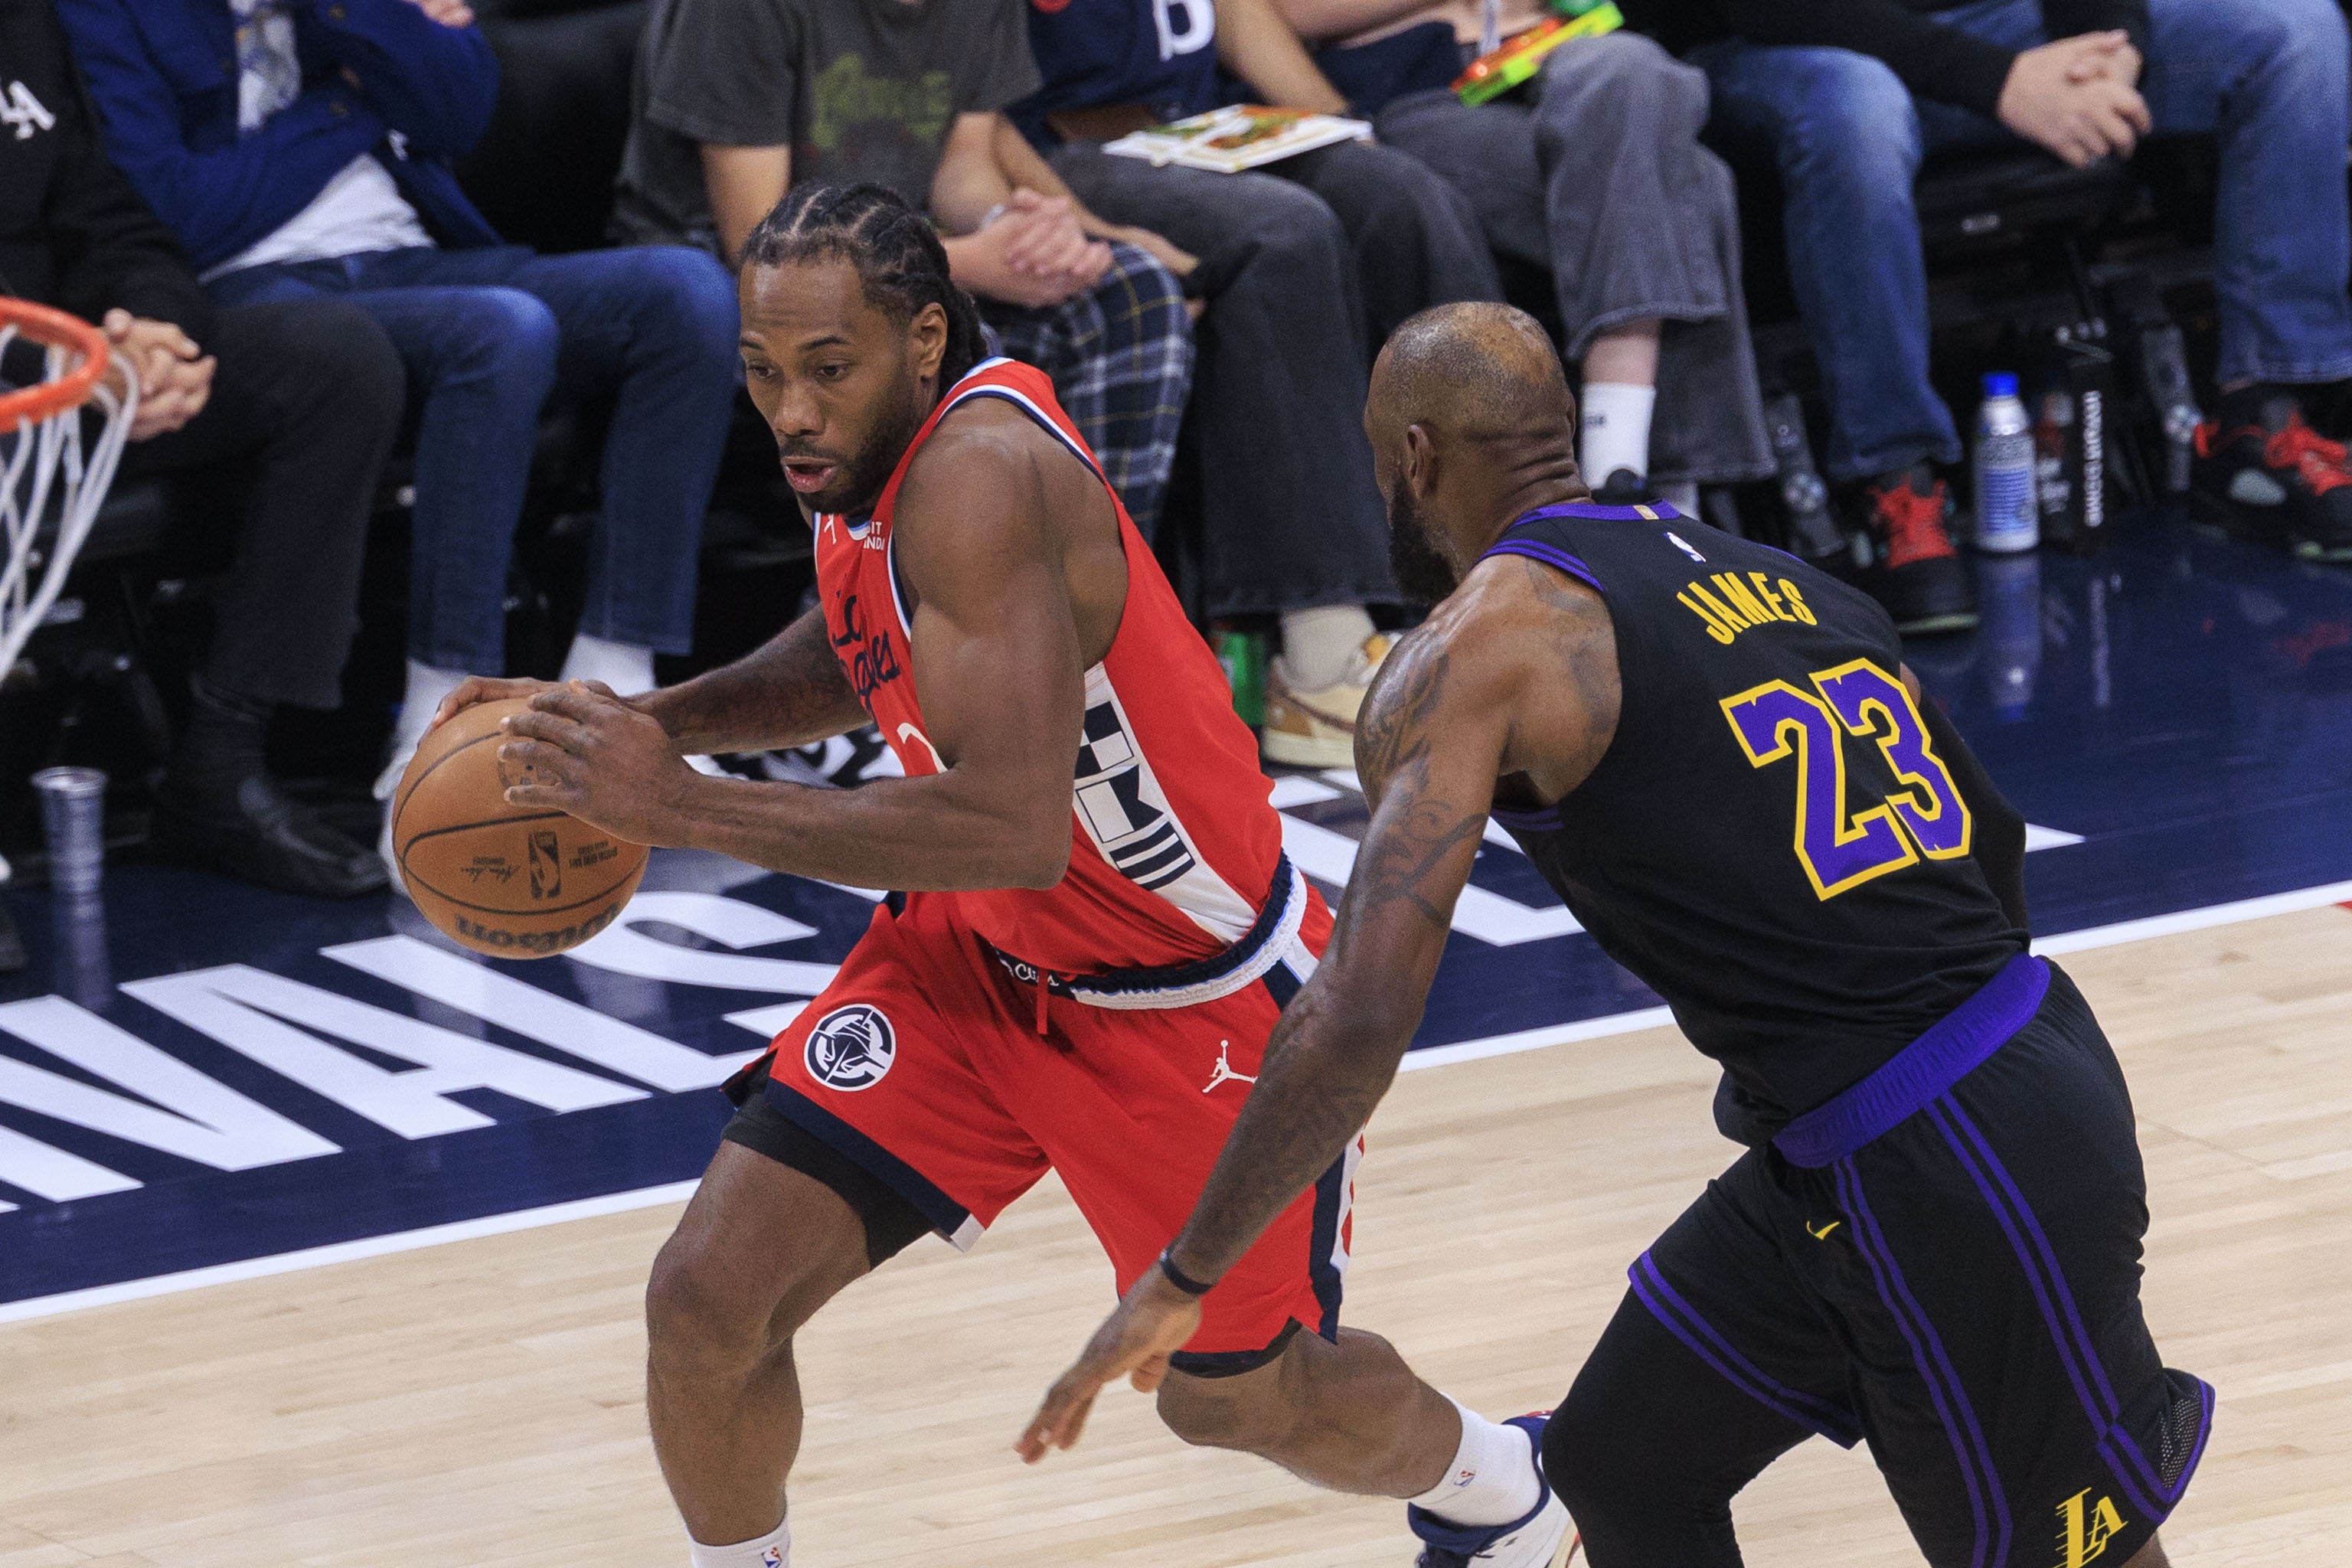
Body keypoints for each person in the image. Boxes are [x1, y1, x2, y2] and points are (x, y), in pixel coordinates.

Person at [428, 186, 1572, 1568]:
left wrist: (675, 804)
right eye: (762, 370)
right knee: (708, 1298)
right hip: (977, 958)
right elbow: (857, 638)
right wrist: (640, 725)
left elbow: (1012, 824)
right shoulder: (866, 463)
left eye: (826, 369)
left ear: (922, 341)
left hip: (1184, 998)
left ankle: (1504, 1490)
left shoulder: (979, 474)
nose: (791, 411)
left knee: (1234, 1398)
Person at [1026, 304, 2209, 1568]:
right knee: (1620, 1468)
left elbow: (1357, 1015)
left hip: (1940, 1156)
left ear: (1414, 456)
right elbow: (1992, 845)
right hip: (1925, 1109)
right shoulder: (1780, 576)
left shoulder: (1475, 651)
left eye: (1377, 460)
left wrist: (1186, 1273)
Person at [57, 0, 746, 875]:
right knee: (501, 331)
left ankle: (618, 700)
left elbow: (460, 110)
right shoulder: (106, 9)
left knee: (686, 295)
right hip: (256, 297)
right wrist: (354, 101)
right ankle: (439, 743)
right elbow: (174, 212)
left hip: (417, 259)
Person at [1684, 0, 2352, 596]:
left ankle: (2255, 421)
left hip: (1995, 29)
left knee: (2295, 33)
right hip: (1788, 43)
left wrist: (2113, 49)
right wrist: (2001, 82)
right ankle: (1892, 482)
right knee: (1857, 108)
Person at [1014, 0, 1506, 766]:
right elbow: (969, 105)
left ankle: (1496, 566)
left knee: (1401, 193)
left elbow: (1235, 11)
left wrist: (1340, 123)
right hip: (1062, 149)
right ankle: (1319, 655)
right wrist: (1086, 224)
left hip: (1196, 122)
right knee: (1285, 234)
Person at [5, 0, 402, 898]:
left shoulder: (22, 22)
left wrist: (152, 333)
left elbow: (109, 214)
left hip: (79, 372)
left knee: (335, 362)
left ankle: (220, 765)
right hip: (35, 373)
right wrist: (54, 361)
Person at [613, 0, 1194, 541]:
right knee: (931, 344)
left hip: (899, 237)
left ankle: (1087, 584)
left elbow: (960, 165)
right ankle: (872, 597)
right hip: (732, 278)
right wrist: (966, 263)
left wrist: (1016, 236)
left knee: (1133, 294)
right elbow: (760, 242)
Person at [1277, 0, 1774, 513]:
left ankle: (1615, 469)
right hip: (1418, 88)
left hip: (1556, 45)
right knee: (1691, 181)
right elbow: (1286, 14)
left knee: (1630, 67)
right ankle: (1658, 494)